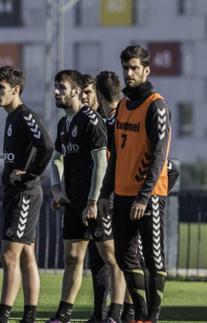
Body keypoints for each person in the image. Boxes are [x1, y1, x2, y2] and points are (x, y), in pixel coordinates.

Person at [99, 45, 173, 323]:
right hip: (122, 194)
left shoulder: (156, 106)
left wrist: (144, 196)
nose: (129, 73)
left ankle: (152, 316)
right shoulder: (122, 109)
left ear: (146, 70)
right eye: (126, 68)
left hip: (149, 196)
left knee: (154, 258)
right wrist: (106, 193)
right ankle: (140, 314)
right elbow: (115, 155)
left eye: (134, 68)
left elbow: (159, 157)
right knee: (123, 255)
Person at [48, 69, 125, 323]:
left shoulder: (91, 120)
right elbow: (57, 158)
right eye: (56, 87)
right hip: (72, 202)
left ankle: (115, 313)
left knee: (111, 257)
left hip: (96, 203)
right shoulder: (63, 124)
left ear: (77, 92)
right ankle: (63, 314)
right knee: (72, 258)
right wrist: (56, 188)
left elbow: (101, 162)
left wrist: (94, 201)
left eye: (62, 88)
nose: (56, 92)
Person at [0, 66, 54, 323]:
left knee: (9, 255)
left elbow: (47, 146)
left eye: (1, 88)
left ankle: (3, 315)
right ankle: (29, 316)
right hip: (15, 194)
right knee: (26, 255)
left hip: (25, 194)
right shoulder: (10, 117)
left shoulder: (25, 115)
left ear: (15, 90)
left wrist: (29, 175)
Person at [83, 73, 111, 323]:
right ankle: (100, 313)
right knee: (95, 258)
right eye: (81, 92)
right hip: (90, 198)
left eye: (89, 92)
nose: (84, 97)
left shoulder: (104, 122)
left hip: (107, 199)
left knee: (113, 257)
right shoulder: (78, 122)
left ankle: (123, 311)